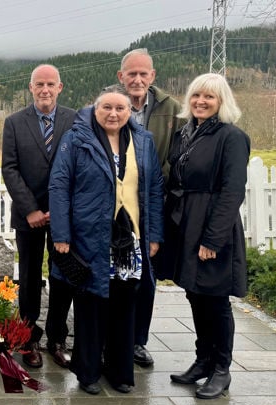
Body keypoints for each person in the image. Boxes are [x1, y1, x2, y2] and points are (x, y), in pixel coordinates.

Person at [49, 86, 163, 395]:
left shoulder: (143, 141)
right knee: (91, 304)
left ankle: (119, 371)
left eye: (120, 108)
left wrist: (154, 235)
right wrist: (61, 234)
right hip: (90, 236)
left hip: (131, 239)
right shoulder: (76, 139)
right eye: (107, 108)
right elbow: (59, 186)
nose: (113, 114)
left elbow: (154, 189)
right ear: (95, 109)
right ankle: (88, 372)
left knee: (125, 305)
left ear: (129, 112)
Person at [160, 73, 249, 399]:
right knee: (195, 294)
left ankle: (221, 369)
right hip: (186, 223)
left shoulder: (231, 137)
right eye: (196, 95)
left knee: (215, 299)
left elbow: (232, 192)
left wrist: (213, 239)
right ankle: (203, 360)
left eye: (209, 97)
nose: (201, 102)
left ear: (222, 101)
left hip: (213, 225)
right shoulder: (185, 133)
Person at [1, 64, 75, 368]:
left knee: (62, 277)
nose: (45, 89)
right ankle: (28, 338)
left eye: (50, 84)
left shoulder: (75, 120)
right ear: (31, 87)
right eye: (39, 84)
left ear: (60, 87)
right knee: (29, 277)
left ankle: (57, 338)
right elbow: (9, 168)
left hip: (63, 215)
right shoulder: (14, 122)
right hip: (27, 215)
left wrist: (61, 209)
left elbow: (80, 165)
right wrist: (30, 208)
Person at [117, 48, 183, 367]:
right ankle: (112, 339)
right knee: (115, 276)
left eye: (143, 73)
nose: (138, 79)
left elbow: (179, 155)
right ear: (121, 77)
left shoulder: (172, 109)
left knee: (146, 277)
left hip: (153, 203)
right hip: (117, 208)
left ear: (152, 76)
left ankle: (137, 341)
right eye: (132, 73)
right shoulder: (108, 104)